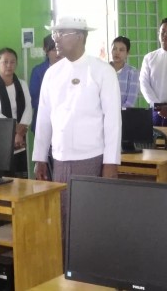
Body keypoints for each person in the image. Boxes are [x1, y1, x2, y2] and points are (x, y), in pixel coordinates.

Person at [33, 16, 121, 239]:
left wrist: (111, 163)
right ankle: (64, 261)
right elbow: (44, 117)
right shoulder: (52, 73)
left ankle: (91, 260)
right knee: (62, 217)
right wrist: (40, 158)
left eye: (61, 33)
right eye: (55, 34)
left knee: (89, 218)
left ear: (80, 36)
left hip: (91, 158)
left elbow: (112, 120)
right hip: (60, 159)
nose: (56, 39)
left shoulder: (102, 71)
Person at [0, 48, 32, 177]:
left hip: (21, 136)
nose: (9, 65)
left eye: (12, 62)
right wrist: (14, 126)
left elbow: (28, 107)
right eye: (5, 62)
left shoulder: (22, 84)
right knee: (1, 177)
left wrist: (20, 132)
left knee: (20, 177)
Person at [29, 34, 60, 133]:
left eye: (59, 49)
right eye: (54, 50)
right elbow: (33, 100)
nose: (58, 53)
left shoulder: (70, 69)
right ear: (46, 50)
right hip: (44, 122)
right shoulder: (38, 71)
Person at [110, 36, 139, 108]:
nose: (117, 52)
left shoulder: (133, 73)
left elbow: (130, 102)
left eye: (121, 50)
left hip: (123, 113)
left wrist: (116, 113)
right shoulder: (103, 70)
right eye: (114, 49)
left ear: (127, 53)